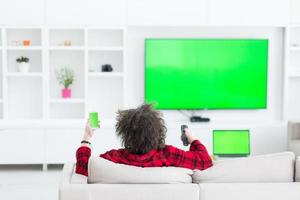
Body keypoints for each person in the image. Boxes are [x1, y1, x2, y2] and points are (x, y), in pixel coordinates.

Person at [76, 104, 213, 176]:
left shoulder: (113, 158)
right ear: (158, 131)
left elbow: (83, 168)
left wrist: (86, 137)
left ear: (124, 133)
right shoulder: (170, 154)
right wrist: (193, 140)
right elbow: (205, 161)